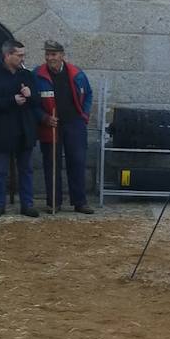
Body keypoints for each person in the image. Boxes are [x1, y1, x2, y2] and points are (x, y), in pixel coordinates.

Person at [0, 39, 43, 219]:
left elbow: (38, 102)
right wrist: (12, 101)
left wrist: (30, 96)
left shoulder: (27, 75)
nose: (22, 58)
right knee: (0, 171)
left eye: (23, 55)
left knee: (26, 169)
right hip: (3, 130)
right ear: (8, 55)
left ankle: (27, 204)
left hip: (24, 129)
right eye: (19, 55)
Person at [35, 40, 94, 215]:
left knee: (77, 161)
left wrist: (84, 115)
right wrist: (44, 117)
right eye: (47, 54)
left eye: (53, 54)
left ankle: (79, 201)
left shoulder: (77, 74)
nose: (49, 58)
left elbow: (88, 94)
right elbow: (33, 104)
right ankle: (54, 202)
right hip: (51, 124)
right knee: (51, 163)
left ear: (62, 56)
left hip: (74, 123)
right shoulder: (37, 75)